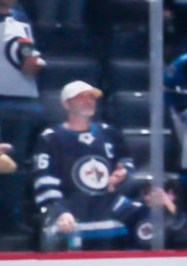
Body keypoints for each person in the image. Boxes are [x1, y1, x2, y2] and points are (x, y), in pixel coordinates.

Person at [35, 79, 134, 249]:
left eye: (91, 97)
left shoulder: (108, 132)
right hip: (70, 223)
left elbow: (126, 162)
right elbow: (44, 179)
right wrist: (59, 212)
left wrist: (122, 173)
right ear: (66, 104)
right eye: (81, 97)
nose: (89, 101)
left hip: (109, 222)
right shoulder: (51, 138)